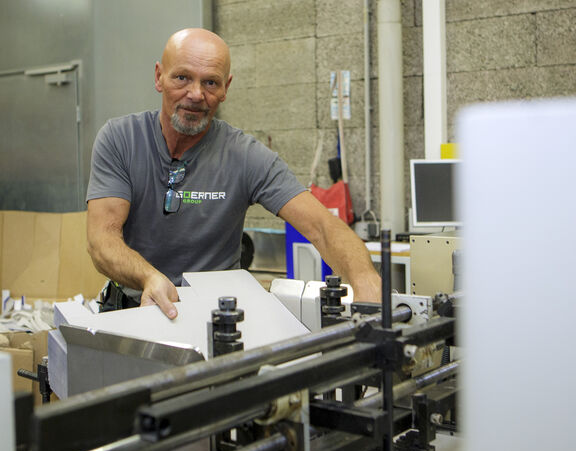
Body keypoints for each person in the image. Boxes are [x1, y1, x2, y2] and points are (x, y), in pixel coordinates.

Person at [86, 28, 381, 319]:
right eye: (182, 77)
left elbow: (323, 228)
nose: (196, 94)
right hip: (133, 313)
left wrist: (367, 283)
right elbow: (102, 239)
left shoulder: (245, 156)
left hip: (217, 321)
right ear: (158, 77)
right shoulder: (121, 139)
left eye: (210, 82)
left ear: (226, 87)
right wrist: (149, 277)